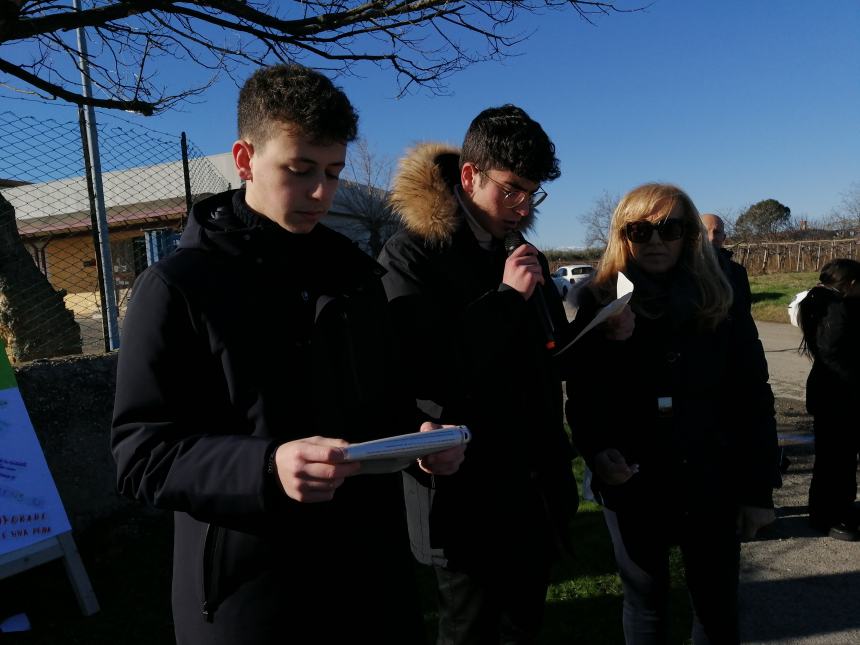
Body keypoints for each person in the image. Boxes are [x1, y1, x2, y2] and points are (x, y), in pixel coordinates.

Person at [110, 64, 464, 645]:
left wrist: (416, 438)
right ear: (245, 160)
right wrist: (266, 467)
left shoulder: (356, 279)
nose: (323, 193)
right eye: (299, 171)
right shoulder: (178, 287)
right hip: (251, 597)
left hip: (370, 581)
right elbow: (141, 453)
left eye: (333, 172)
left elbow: (382, 401)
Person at [377, 105, 584, 644]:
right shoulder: (411, 254)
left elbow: (546, 353)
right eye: (511, 189)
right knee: (470, 633)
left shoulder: (517, 250)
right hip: (467, 496)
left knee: (523, 628)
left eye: (532, 192)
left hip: (534, 490)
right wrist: (507, 301)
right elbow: (423, 368)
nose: (522, 206)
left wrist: (598, 332)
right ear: (469, 176)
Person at [567, 184, 780, 644]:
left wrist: (758, 486)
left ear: (690, 234)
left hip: (711, 473)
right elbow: (583, 397)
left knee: (717, 602)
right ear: (623, 237)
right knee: (645, 599)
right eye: (640, 230)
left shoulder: (720, 289)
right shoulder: (597, 298)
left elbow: (752, 392)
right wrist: (599, 452)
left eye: (670, 228)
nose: (656, 241)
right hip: (635, 476)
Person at [798, 258, 860, 541]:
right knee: (837, 460)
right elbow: (834, 353)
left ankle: (830, 511)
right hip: (838, 395)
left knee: (834, 458)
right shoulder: (835, 311)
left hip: (830, 393)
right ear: (850, 284)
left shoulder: (820, 302)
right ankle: (829, 515)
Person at [701, 213, 752, 313]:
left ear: (723, 238)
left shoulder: (738, 273)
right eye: (704, 232)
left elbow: (744, 316)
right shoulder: (683, 270)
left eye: (716, 232)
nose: (711, 237)